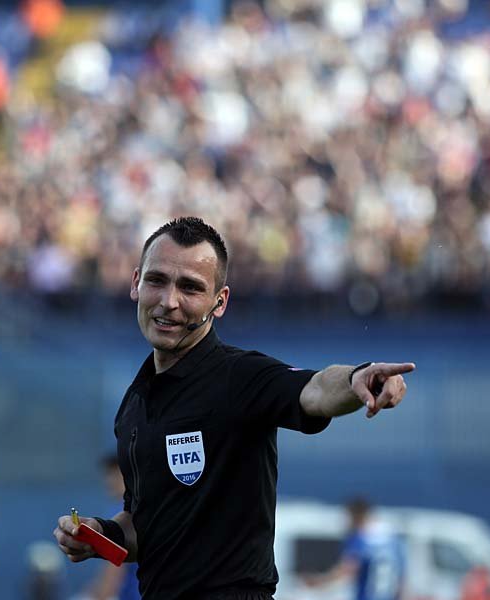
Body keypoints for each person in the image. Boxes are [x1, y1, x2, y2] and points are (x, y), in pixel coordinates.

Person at [54, 216, 415, 600]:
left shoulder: (240, 377)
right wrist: (101, 535)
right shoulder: (133, 407)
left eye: (190, 287)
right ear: (135, 284)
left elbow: (314, 389)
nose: (169, 301)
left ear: (220, 302)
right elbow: (143, 527)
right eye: (157, 280)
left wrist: (358, 377)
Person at [302, 497, 405, 600]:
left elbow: (348, 568)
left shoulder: (360, 538)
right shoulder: (392, 540)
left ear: (356, 515)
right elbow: (401, 579)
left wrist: (320, 581)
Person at [77, 454, 141, 600]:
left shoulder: (121, 513)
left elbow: (113, 573)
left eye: (117, 474)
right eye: (109, 474)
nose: (110, 480)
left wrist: (100, 594)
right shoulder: (142, 509)